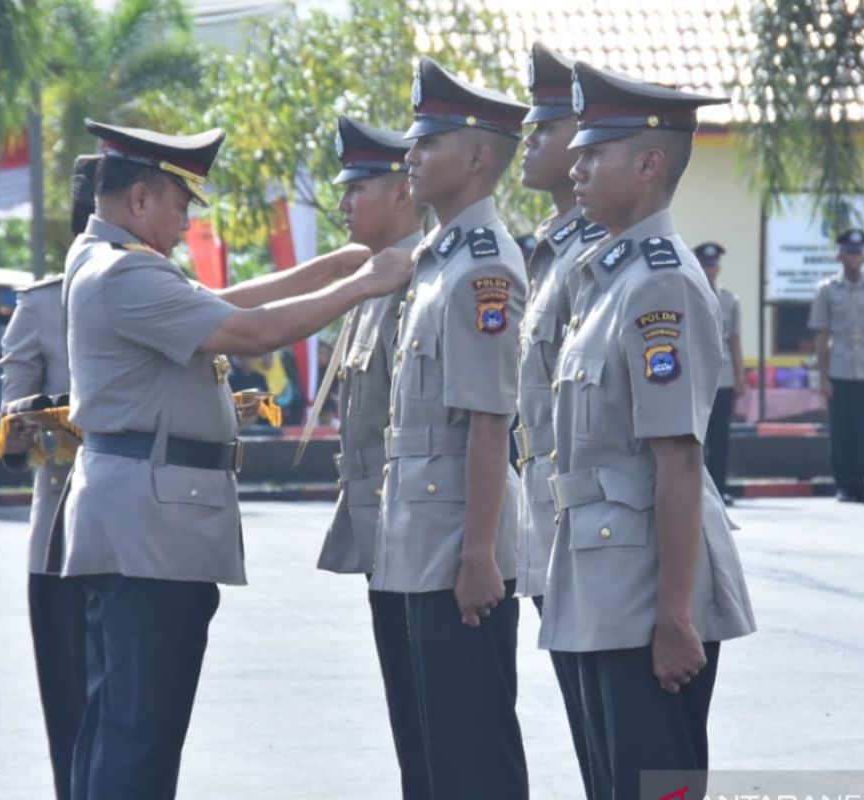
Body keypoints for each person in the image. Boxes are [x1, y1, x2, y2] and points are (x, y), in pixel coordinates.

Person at [53, 119, 411, 800]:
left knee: (122, 725)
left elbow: (226, 302)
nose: (186, 225)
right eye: (180, 206)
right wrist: (367, 284)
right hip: (148, 533)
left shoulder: (107, 262)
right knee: (140, 734)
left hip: (139, 523)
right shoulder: (124, 272)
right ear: (139, 201)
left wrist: (338, 266)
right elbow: (250, 330)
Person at [538, 61, 756, 800]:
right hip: (601, 581)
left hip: (646, 592)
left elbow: (679, 462)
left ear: (650, 162)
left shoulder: (660, 281)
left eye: (595, 153)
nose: (577, 165)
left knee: (650, 786)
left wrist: (674, 617)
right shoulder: (606, 279)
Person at [371, 57, 530, 799]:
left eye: (428, 142)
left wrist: (477, 556)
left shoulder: (482, 268)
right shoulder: (436, 261)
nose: (411, 155)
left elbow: (491, 421)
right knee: (430, 756)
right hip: (417, 535)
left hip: (454, 545)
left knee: (471, 754)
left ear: (475, 158)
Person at [315, 114, 429, 799]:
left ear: (403, 194)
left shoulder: (418, 280)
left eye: (358, 187)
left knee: (442, 725)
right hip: (386, 533)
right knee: (413, 726)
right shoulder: (378, 280)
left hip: (422, 532)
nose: (343, 203)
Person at [0, 154, 99, 800]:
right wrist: (22, 424)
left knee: (134, 722)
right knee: (70, 713)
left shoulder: (165, 293)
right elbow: (5, 439)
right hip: (60, 536)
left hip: (140, 533)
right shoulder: (41, 304)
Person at [516, 40, 603, 799]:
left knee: (626, 749)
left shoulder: (600, 254)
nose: (528, 143)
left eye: (541, 131)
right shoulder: (549, 250)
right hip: (553, 516)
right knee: (591, 733)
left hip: (599, 520)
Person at [809, 228, 864, 504]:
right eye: (848, 253)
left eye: (858, 253)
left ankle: (861, 485)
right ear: (840, 256)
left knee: (862, 430)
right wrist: (823, 377)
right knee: (841, 430)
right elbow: (821, 336)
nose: (853, 258)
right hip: (839, 368)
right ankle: (843, 485)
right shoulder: (827, 290)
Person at [695, 242, 745, 506]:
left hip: (723, 376)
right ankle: (697, 490)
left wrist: (740, 375)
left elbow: (735, 340)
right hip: (697, 375)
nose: (710, 269)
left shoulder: (728, 299)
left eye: (713, 265)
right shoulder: (689, 293)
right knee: (696, 438)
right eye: (705, 264)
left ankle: (719, 488)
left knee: (720, 437)